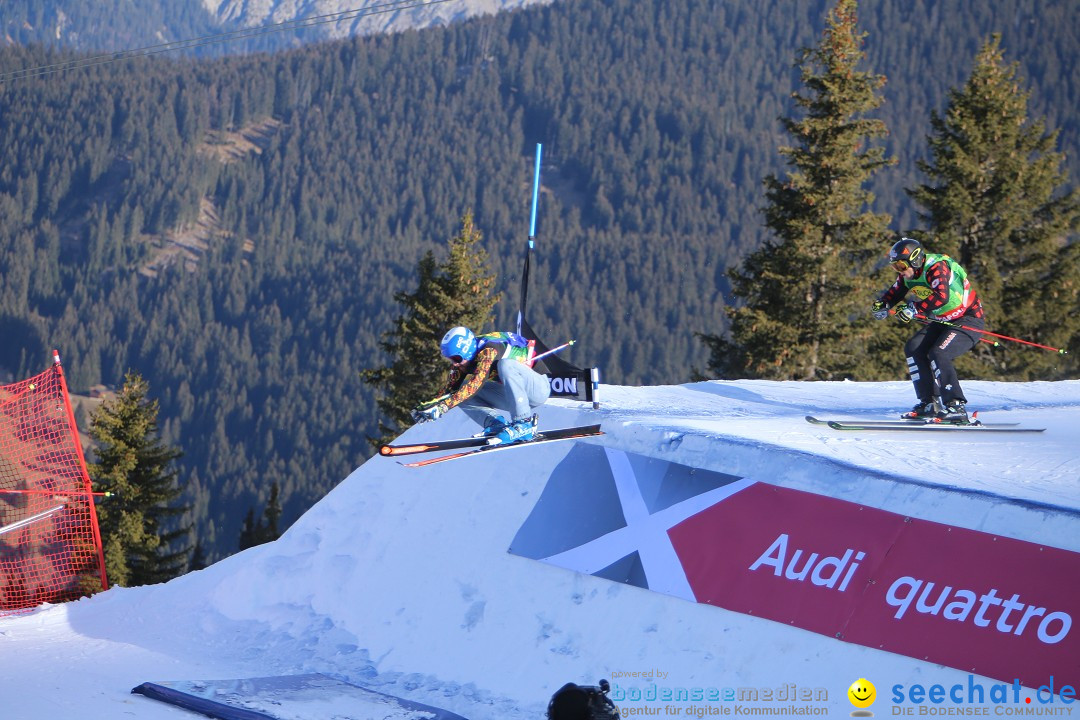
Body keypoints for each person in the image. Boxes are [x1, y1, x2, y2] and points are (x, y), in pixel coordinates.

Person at [871, 237, 985, 423]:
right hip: (943, 321)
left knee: (938, 353)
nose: (900, 271)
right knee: (914, 347)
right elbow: (895, 292)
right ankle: (929, 404)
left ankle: (956, 405)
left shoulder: (936, 268)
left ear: (915, 260)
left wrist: (913, 309)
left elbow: (942, 297)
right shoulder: (908, 274)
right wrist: (882, 305)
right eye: (895, 267)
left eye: (900, 266)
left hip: (968, 320)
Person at [412, 326, 551, 444]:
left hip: (537, 389)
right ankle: (496, 424)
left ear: (466, 351)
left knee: (505, 365)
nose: (454, 364)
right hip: (513, 395)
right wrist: (428, 407)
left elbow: (476, 384)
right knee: (460, 392)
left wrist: (443, 407)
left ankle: (524, 424)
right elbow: (449, 390)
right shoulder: (462, 363)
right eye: (450, 359)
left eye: (456, 358)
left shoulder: (489, 350)